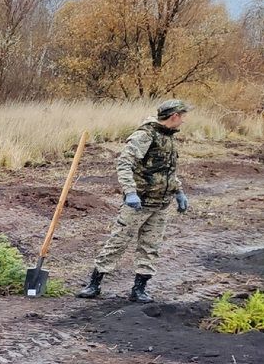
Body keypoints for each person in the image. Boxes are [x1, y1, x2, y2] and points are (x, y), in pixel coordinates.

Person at [75, 100, 190, 304]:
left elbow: (167, 171)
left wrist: (179, 191)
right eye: (182, 115)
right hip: (139, 203)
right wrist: (130, 192)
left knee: (150, 246)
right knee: (118, 242)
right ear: (174, 116)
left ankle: (139, 289)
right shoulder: (145, 135)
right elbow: (124, 163)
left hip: (161, 204)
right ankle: (94, 284)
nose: (184, 120)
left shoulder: (169, 138)